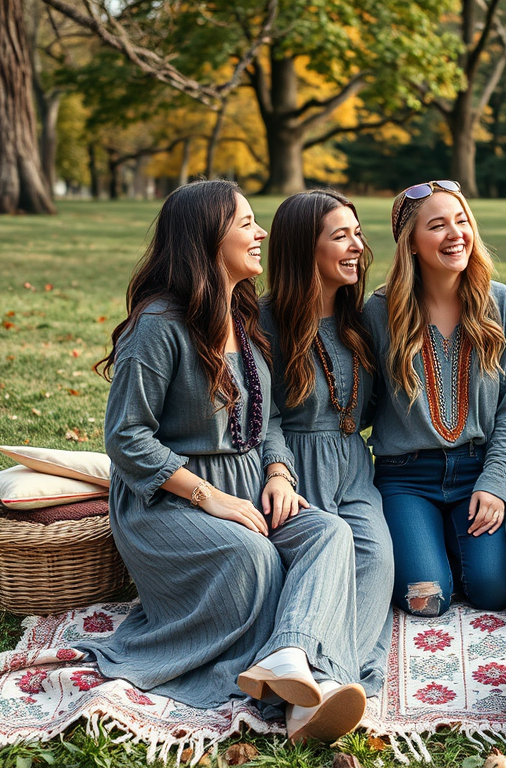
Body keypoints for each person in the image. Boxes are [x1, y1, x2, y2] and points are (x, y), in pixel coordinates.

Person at [79, 180, 366, 743]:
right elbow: (127, 437)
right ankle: (294, 694)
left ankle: (294, 662)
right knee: (253, 559)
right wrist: (213, 499)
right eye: (247, 223)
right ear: (208, 239)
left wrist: (279, 473)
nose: (262, 233)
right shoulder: (158, 326)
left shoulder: (243, 314)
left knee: (329, 535)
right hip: (168, 499)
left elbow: (272, 419)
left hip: (248, 485)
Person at [364, 180, 506, 617]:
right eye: (437, 225)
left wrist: (495, 483)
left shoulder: (503, 305)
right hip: (406, 477)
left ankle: (444, 546)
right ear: (412, 244)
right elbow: (360, 402)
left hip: (477, 471)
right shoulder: (378, 312)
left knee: (492, 591)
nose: (456, 234)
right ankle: (428, 545)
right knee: (426, 598)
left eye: (462, 221)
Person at [261, 190, 393, 701]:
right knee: (324, 551)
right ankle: (324, 683)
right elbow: (263, 412)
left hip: (353, 465)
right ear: (302, 249)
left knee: (378, 561)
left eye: (358, 233)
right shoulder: (265, 320)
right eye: (341, 236)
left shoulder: (360, 318)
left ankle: (327, 680)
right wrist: (277, 471)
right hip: (292, 463)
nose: (357, 245)